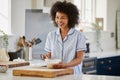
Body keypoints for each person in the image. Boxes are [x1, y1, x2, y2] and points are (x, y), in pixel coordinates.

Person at [41, 1, 86, 74]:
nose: (59, 20)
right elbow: (49, 56)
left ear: (70, 18)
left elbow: (79, 59)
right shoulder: (51, 35)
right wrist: (46, 57)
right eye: (57, 17)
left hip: (73, 75)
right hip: (56, 75)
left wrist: (65, 65)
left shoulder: (79, 36)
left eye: (63, 18)